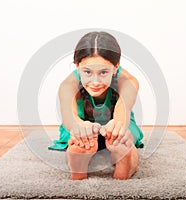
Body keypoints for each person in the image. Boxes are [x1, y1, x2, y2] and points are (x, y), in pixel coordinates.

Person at [48, 31, 144, 180]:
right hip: (82, 124)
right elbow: (69, 117)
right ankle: (78, 159)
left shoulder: (128, 81)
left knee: (125, 136)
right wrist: (79, 128)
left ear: (116, 66)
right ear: (77, 66)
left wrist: (117, 128)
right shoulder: (68, 85)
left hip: (116, 124)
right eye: (87, 72)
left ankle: (125, 157)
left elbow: (122, 111)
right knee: (75, 139)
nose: (95, 81)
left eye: (103, 72)